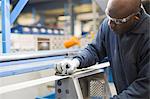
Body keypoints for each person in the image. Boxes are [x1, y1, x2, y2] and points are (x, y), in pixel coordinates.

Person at [55, 0, 150, 98]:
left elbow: (145, 87)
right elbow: (94, 49)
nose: (110, 24)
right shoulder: (108, 25)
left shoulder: (147, 36)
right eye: (109, 17)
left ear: (136, 17)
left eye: (117, 21)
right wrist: (76, 61)